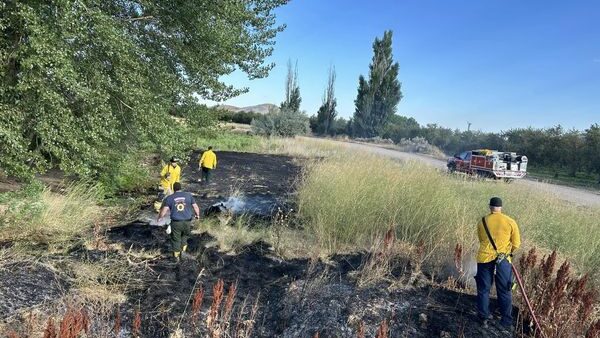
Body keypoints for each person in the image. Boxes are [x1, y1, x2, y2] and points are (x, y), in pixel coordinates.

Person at [475, 197, 521, 331]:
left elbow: (481, 239)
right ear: (501, 208)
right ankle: (506, 321)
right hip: (504, 259)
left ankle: (483, 317)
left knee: (484, 288)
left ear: (490, 207)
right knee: (505, 289)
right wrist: (508, 253)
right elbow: (516, 243)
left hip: (484, 258)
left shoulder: (482, 221)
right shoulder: (510, 221)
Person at [157, 182, 200, 261]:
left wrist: (160, 218)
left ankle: (176, 257)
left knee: (176, 239)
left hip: (176, 222)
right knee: (185, 236)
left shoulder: (170, 198)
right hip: (187, 222)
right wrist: (197, 215)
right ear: (181, 188)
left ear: (174, 189)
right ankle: (183, 252)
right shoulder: (188, 196)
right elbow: (196, 207)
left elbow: (164, 210)